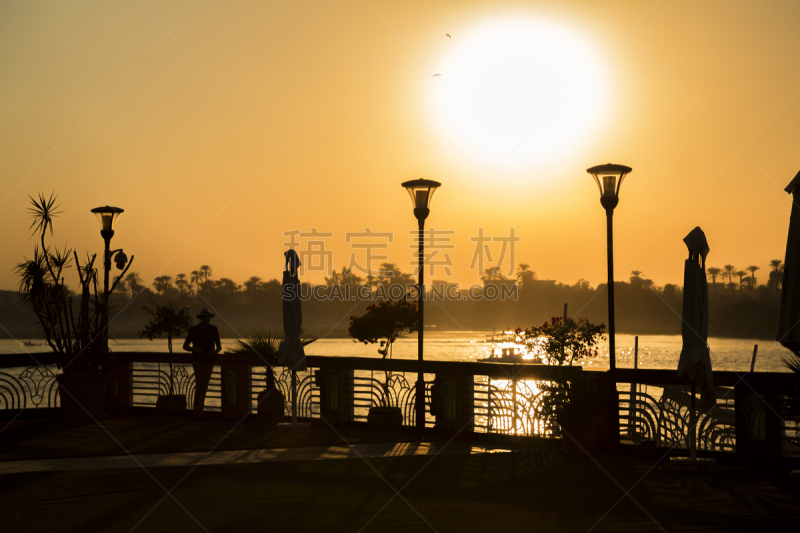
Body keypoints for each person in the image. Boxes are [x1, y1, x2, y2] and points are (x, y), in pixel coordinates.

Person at [182, 308, 221, 418]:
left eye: (207, 317)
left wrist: (215, 351)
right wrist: (195, 349)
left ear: (209, 318)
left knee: (204, 386)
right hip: (197, 361)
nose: (206, 319)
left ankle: (200, 411)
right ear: (202, 318)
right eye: (204, 317)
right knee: (200, 385)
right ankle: (197, 411)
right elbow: (185, 346)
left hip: (210, 361)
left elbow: (219, 347)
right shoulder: (194, 330)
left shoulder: (214, 329)